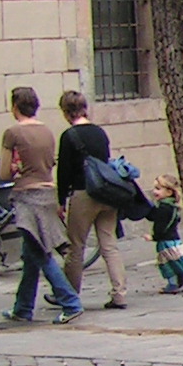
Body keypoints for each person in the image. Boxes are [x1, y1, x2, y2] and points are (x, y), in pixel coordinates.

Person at [0, 86, 80, 324]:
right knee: (31, 255)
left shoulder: (12, 133)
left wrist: (14, 168)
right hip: (47, 192)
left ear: (15, 107)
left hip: (27, 196)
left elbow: (4, 172)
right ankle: (23, 307)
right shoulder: (47, 131)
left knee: (40, 252)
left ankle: (70, 301)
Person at [56, 90, 128, 310]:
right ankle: (120, 293)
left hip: (83, 192)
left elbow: (64, 172)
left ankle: (70, 295)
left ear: (66, 112)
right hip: (106, 192)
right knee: (109, 244)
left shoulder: (69, 136)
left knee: (76, 246)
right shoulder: (99, 132)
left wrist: (61, 200)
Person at [148, 175, 183, 295]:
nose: (154, 191)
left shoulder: (164, 208)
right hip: (173, 238)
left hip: (166, 241)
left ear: (168, 192)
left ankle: (173, 283)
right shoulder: (172, 206)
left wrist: (154, 237)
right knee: (175, 261)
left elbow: (160, 226)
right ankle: (179, 277)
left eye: (158, 188)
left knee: (167, 264)